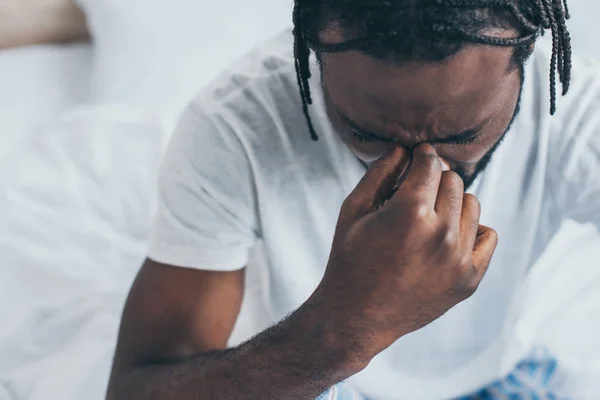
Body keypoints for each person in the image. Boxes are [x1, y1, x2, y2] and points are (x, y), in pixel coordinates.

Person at [106, 0, 600, 398]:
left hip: (495, 377)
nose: (421, 171)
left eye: (465, 134)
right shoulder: (235, 127)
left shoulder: (572, 108)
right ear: (313, 61)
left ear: (528, 62)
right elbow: (133, 389)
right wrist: (346, 325)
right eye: (366, 132)